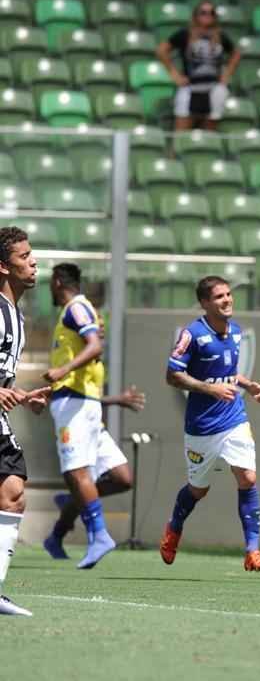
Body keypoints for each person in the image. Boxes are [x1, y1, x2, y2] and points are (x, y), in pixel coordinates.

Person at [160, 275, 260, 572]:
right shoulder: (192, 334)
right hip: (201, 427)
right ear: (205, 303)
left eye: (228, 295)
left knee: (247, 478)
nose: (227, 300)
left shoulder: (235, 332)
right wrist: (210, 389)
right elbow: (172, 375)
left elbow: (228, 373)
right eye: (220, 296)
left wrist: (247, 385)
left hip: (234, 419)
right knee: (198, 490)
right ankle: (174, 527)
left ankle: (253, 551)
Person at [36, 263, 126, 569]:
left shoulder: (76, 309)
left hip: (77, 405)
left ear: (59, 281)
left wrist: (62, 370)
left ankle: (98, 534)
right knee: (120, 477)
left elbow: (94, 345)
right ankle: (75, 505)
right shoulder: (77, 313)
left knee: (77, 474)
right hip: (79, 400)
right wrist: (48, 391)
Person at [0, 227, 51, 616]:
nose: (33, 262)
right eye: (24, 257)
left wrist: (20, 395)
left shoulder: (16, 315)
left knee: (13, 491)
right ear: (3, 266)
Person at [40, 385, 145, 560]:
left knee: (124, 480)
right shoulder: (70, 361)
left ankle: (70, 502)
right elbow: (72, 397)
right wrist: (117, 400)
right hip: (75, 427)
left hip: (96, 428)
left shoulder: (91, 365)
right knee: (81, 483)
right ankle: (57, 537)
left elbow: (88, 395)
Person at [158, 0, 240, 131]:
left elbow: (236, 53)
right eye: (203, 12)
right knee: (181, 132)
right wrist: (175, 75)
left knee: (209, 132)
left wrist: (226, 75)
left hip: (213, 88)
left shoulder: (219, 36)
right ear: (195, 15)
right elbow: (162, 50)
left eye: (211, 13)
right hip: (190, 87)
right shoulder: (185, 34)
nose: (208, 16)